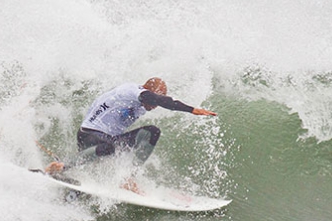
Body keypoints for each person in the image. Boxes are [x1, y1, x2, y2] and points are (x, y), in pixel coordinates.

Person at [45, 78, 217, 192]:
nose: (154, 105)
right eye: (153, 101)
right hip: (89, 135)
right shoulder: (131, 91)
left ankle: (127, 179)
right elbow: (160, 100)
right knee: (110, 146)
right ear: (147, 92)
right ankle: (61, 167)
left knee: (152, 132)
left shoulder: (143, 103)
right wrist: (192, 110)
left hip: (108, 140)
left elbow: (159, 100)